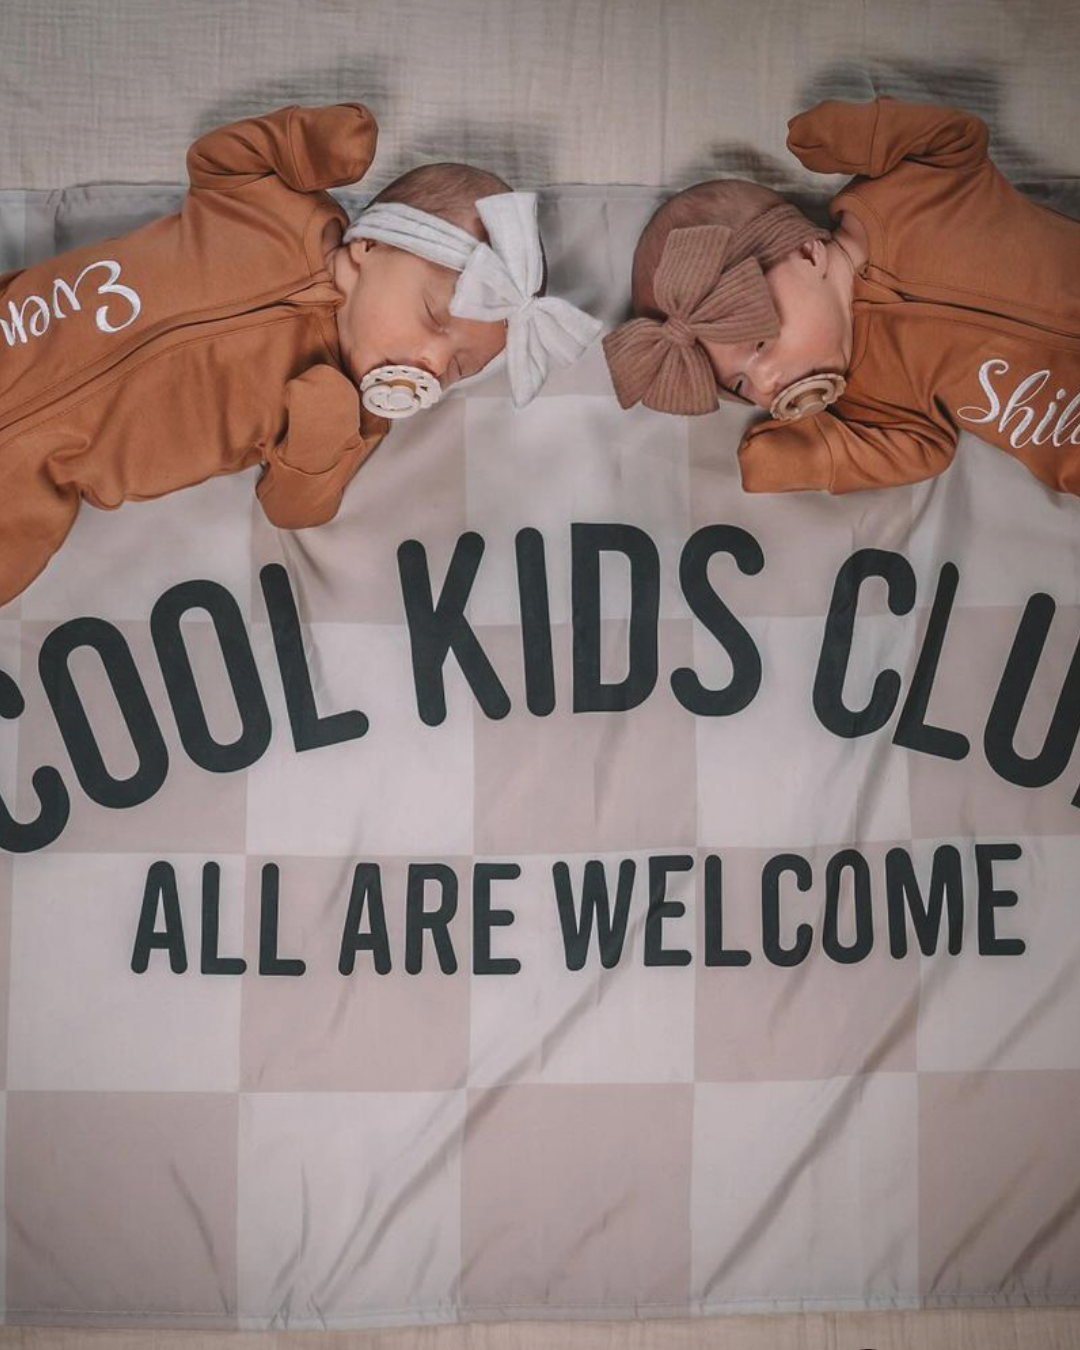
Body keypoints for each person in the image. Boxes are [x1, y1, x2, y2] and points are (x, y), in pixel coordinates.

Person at [0, 103, 600, 605]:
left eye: (462, 367)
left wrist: (320, 437)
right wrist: (305, 143)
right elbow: (219, 161)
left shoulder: (358, 416)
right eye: (434, 318)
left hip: (38, 478)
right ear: (370, 246)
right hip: (19, 327)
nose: (434, 365)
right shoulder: (277, 213)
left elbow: (293, 509)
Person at [602, 96, 1080, 498]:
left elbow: (959, 141)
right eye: (741, 386)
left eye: (760, 342)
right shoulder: (869, 399)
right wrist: (815, 456)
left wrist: (868, 134)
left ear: (806, 253)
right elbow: (924, 450)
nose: (766, 382)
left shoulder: (903, 193)